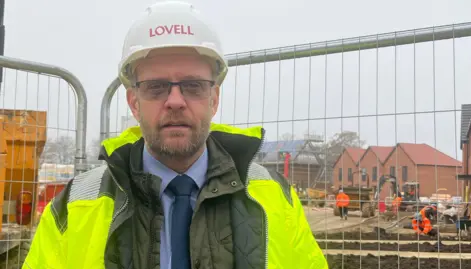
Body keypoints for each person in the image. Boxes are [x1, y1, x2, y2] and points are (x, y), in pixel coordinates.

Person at [23, 1, 328, 268]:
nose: (175, 101)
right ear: (134, 102)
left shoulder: (273, 197)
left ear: (214, 99)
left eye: (193, 85)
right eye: (156, 87)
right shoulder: (74, 207)